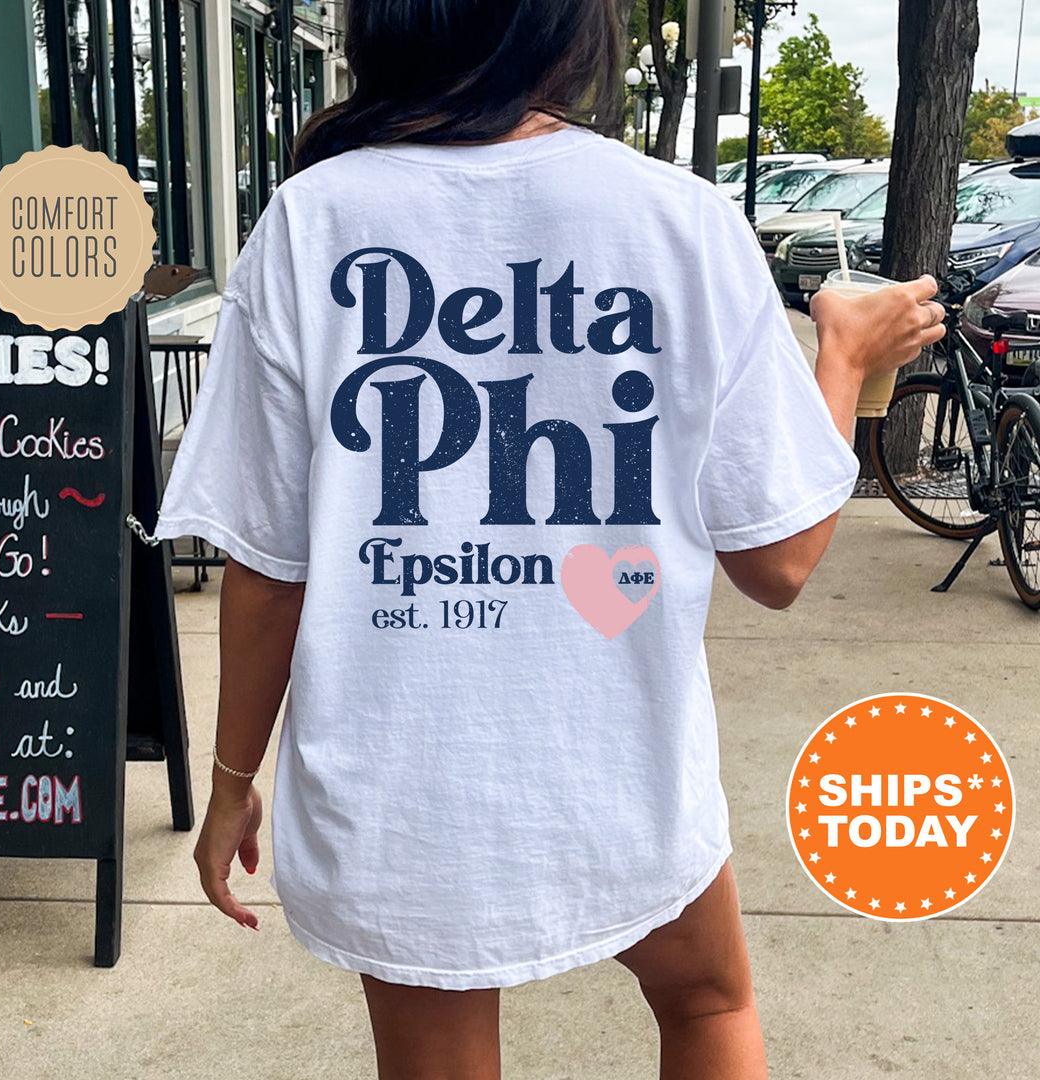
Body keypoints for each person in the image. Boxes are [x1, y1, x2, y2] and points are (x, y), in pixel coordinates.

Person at [154, 3, 946, 1077]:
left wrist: (233, 777)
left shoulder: (309, 221)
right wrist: (844, 362)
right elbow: (781, 560)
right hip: (617, 764)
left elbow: (269, 568)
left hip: (403, 782)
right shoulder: (679, 219)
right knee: (709, 1005)